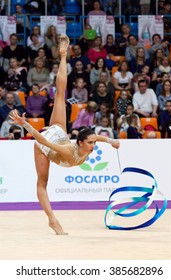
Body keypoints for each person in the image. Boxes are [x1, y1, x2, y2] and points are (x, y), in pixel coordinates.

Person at [9, 35, 120, 235]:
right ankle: (52, 219)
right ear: (79, 142)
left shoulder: (86, 143)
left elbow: (99, 138)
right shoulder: (69, 150)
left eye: (94, 143)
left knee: (60, 93)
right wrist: (24, 123)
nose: (94, 146)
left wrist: (112, 141)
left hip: (59, 131)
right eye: (91, 144)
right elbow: (42, 139)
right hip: (45, 145)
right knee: (42, 182)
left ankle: (62, 56)